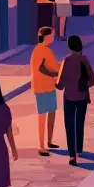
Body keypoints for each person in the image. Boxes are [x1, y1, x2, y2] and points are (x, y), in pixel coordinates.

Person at [55, 35, 94, 166]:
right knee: (80, 123)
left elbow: (60, 85)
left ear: (69, 47)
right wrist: (84, 86)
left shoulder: (66, 61)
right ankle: (79, 149)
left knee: (70, 126)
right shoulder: (84, 60)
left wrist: (54, 83)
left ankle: (72, 155)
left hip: (69, 98)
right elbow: (93, 80)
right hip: (82, 97)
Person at [30, 27, 60, 156]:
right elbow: (49, 68)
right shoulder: (41, 51)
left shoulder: (43, 50)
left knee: (51, 112)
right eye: (52, 35)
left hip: (48, 86)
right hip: (42, 87)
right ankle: (41, 145)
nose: (53, 37)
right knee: (42, 115)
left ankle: (49, 141)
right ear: (46, 36)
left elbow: (53, 66)